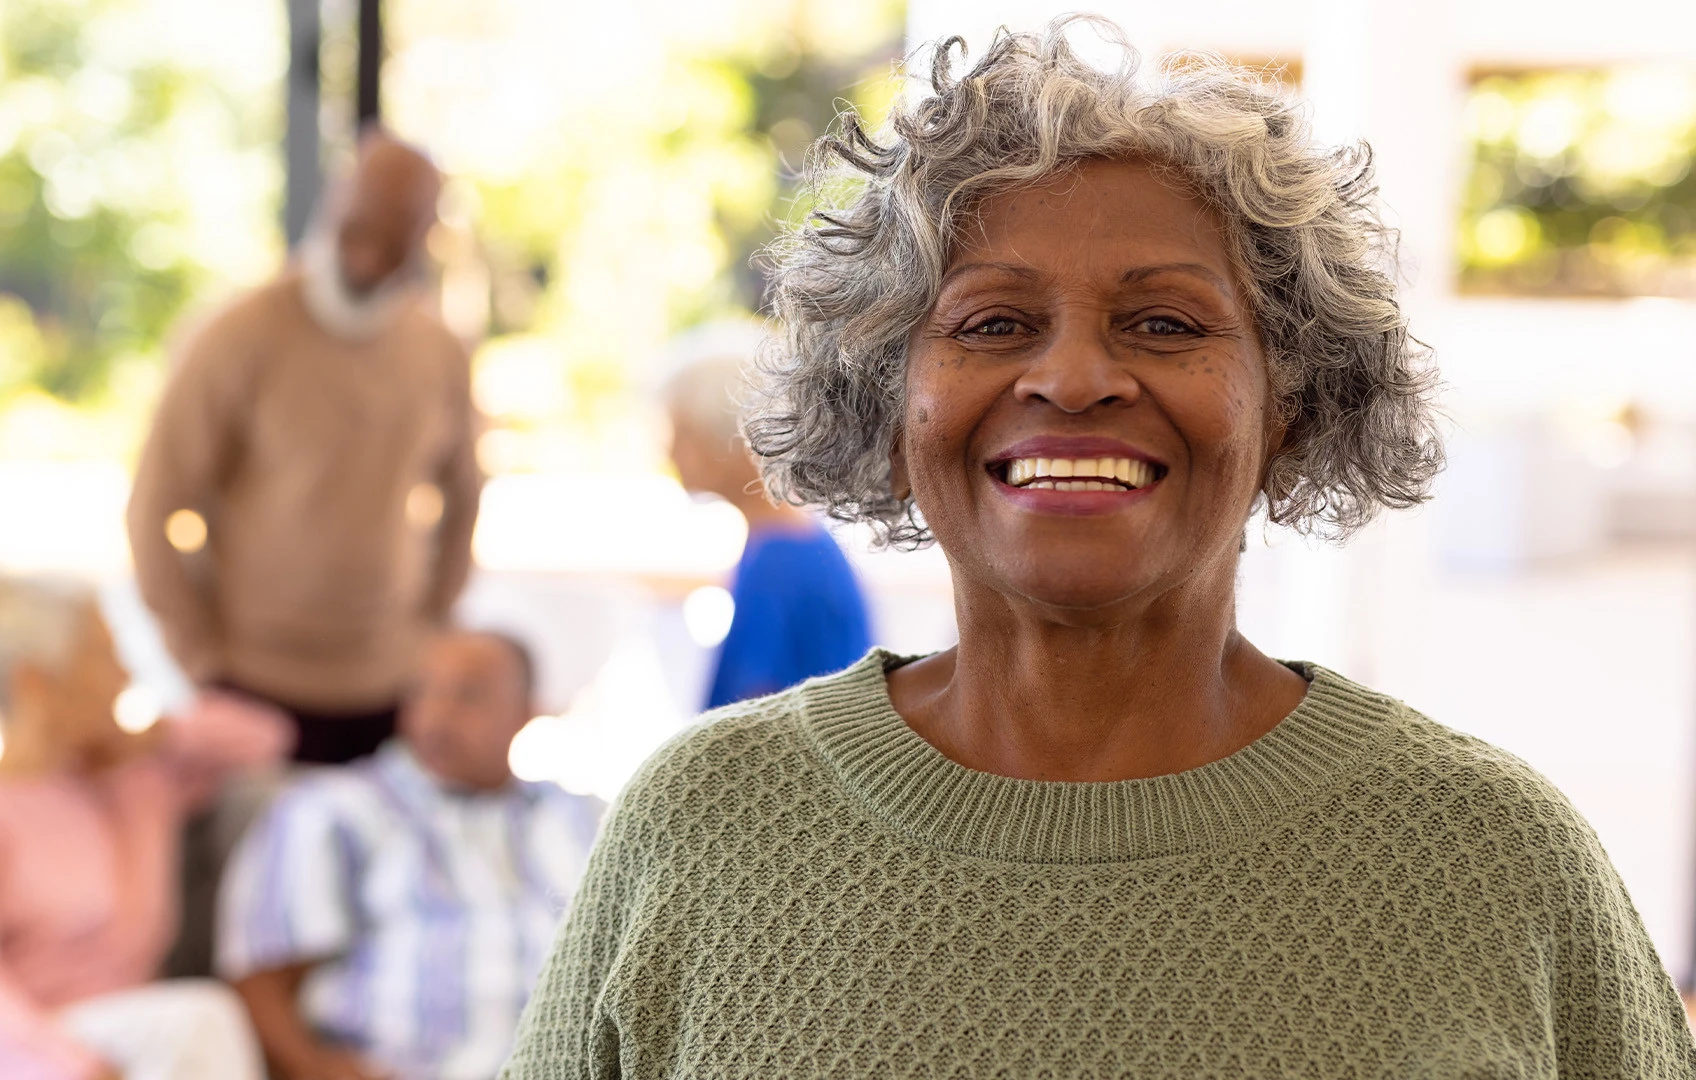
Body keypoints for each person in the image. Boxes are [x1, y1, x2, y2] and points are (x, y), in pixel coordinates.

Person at [503, 18, 1696, 1078]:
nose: (1072, 376)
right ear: (887, 398)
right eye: (995, 322)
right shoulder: (705, 826)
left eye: (1165, 322)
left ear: (1293, 404)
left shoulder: (1489, 863)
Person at [127, 130, 482, 765]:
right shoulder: (238, 335)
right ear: (335, 199)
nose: (377, 236)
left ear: (428, 230)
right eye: (366, 209)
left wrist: (432, 626)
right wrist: (200, 660)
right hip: (250, 683)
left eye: (403, 220)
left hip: (389, 687)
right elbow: (153, 507)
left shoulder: (438, 352)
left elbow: (465, 499)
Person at [0, 566, 292, 1080]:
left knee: (191, 1025)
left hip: (121, 1047)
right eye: (103, 656)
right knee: (199, 1021)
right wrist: (72, 1068)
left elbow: (266, 738)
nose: (126, 676)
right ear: (36, 681)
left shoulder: (134, 786)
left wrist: (149, 739)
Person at [218, 630, 602, 1080]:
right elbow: (262, 984)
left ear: (527, 713)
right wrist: (316, 1070)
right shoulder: (333, 810)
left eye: (468, 696)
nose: (437, 715)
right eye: (422, 692)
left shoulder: (581, 818)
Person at [663, 323, 871, 708]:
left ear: (732, 436)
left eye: (683, 433)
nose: (670, 453)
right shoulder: (781, 544)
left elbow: (747, 722)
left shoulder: (782, 560)